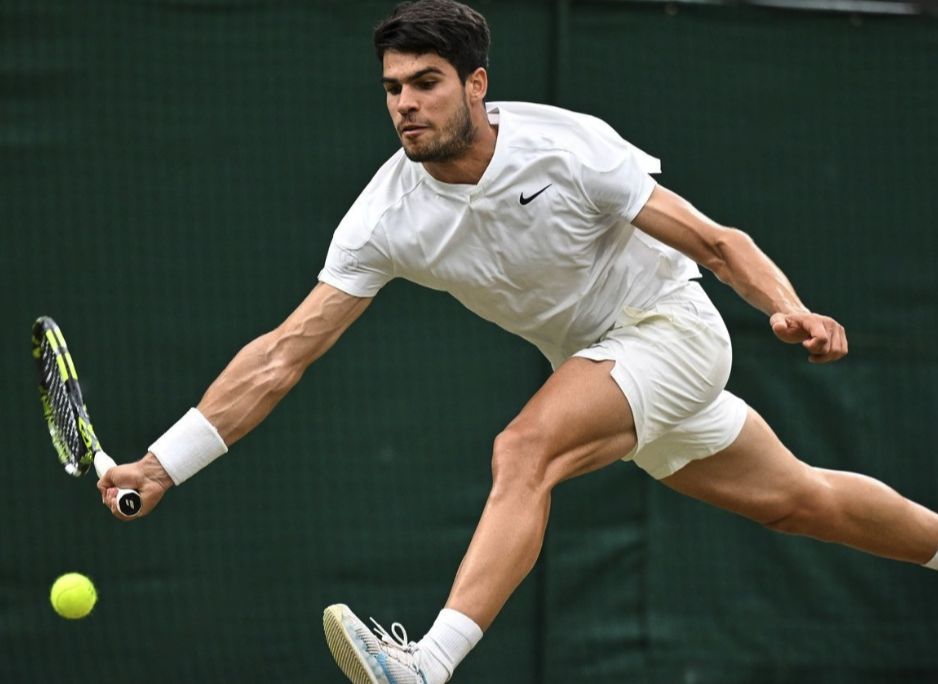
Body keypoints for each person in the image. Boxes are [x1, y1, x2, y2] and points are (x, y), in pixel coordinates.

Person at [98, 1, 938, 682]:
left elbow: (716, 242)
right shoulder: (387, 215)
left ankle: (426, 665)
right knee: (799, 502)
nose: (405, 105)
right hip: (607, 369)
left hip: (669, 331)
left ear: (476, 84)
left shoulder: (567, 148)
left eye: (426, 84)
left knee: (523, 449)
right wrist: (162, 465)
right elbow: (284, 354)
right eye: (392, 88)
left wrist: (786, 308)